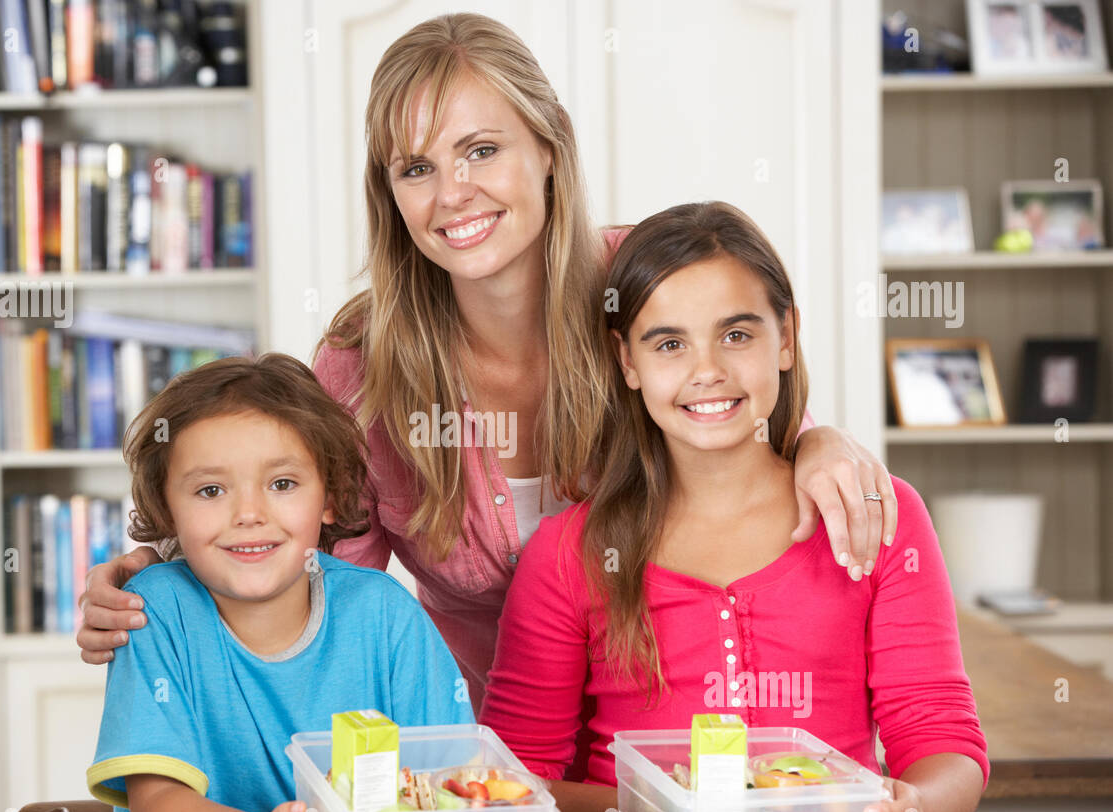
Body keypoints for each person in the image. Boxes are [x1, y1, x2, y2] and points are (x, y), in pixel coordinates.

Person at [74, 13, 899, 728]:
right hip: (489, 748)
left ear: (547, 148)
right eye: (417, 168)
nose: (453, 195)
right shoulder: (360, 372)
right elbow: (318, 588)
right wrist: (176, 584)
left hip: (683, 737)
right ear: (389, 192)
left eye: (481, 150)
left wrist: (818, 441)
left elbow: (746, 426)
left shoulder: (650, 289)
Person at [479, 202, 989, 812]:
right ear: (625, 360)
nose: (707, 370)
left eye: (737, 335)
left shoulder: (878, 517)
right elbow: (514, 781)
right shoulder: (567, 553)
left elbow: (942, 739)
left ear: (786, 337)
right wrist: (624, 808)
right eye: (669, 343)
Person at [87, 354, 473, 812]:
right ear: (167, 510)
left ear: (330, 497)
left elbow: (454, 788)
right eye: (210, 490)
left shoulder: (384, 615)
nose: (249, 514)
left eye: (283, 484)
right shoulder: (155, 613)